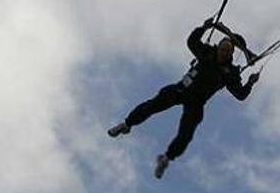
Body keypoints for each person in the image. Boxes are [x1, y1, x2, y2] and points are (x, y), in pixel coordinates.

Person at [107, 17, 260, 179]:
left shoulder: (231, 73)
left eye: (228, 51)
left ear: (231, 54)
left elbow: (240, 94)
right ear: (218, 48)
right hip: (180, 90)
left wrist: (250, 83)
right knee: (151, 106)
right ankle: (127, 124)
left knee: (186, 133)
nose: (224, 52)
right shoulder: (206, 52)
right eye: (223, 48)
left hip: (197, 103)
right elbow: (192, 41)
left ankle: (166, 158)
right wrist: (204, 27)